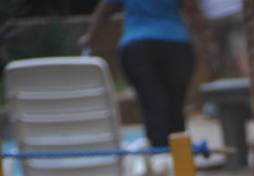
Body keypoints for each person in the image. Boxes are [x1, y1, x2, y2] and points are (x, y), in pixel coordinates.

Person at [79, 0, 216, 147]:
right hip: (176, 44)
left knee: (153, 106)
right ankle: (177, 156)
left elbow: (105, 9)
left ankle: (161, 154)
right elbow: (192, 8)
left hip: (137, 46)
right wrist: (207, 41)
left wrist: (89, 37)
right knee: (175, 107)